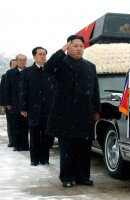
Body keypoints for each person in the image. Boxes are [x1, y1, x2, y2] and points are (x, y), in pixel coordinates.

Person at [44, 35, 101, 187]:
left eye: (81, 46)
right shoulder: (60, 63)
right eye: (75, 46)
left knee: (84, 148)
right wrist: (60, 51)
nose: (79, 49)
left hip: (84, 113)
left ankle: (82, 177)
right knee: (67, 148)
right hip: (65, 113)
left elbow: (95, 89)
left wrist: (97, 109)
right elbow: (48, 69)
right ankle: (67, 178)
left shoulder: (90, 66)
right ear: (68, 47)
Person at [20, 47, 55, 166]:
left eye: (44, 54)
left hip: (48, 108)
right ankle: (34, 160)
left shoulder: (50, 70)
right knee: (34, 134)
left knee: (47, 135)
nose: (43, 56)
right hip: (33, 108)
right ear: (34, 56)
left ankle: (44, 159)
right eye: (40, 54)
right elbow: (23, 90)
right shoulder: (27, 71)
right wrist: (24, 108)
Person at [5, 54, 29, 151]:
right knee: (15, 125)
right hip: (14, 103)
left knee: (25, 126)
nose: (22, 62)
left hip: (26, 103)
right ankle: (17, 145)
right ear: (17, 61)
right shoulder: (10, 73)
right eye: (20, 60)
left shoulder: (29, 71)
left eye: (24, 60)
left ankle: (25, 145)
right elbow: (7, 88)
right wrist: (7, 102)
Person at [0, 59, 17, 147]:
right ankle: (12, 141)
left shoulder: (22, 74)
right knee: (10, 124)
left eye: (16, 64)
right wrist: (3, 104)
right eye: (13, 64)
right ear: (10, 66)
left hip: (18, 104)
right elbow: (2, 90)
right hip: (9, 104)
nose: (15, 66)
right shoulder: (5, 76)